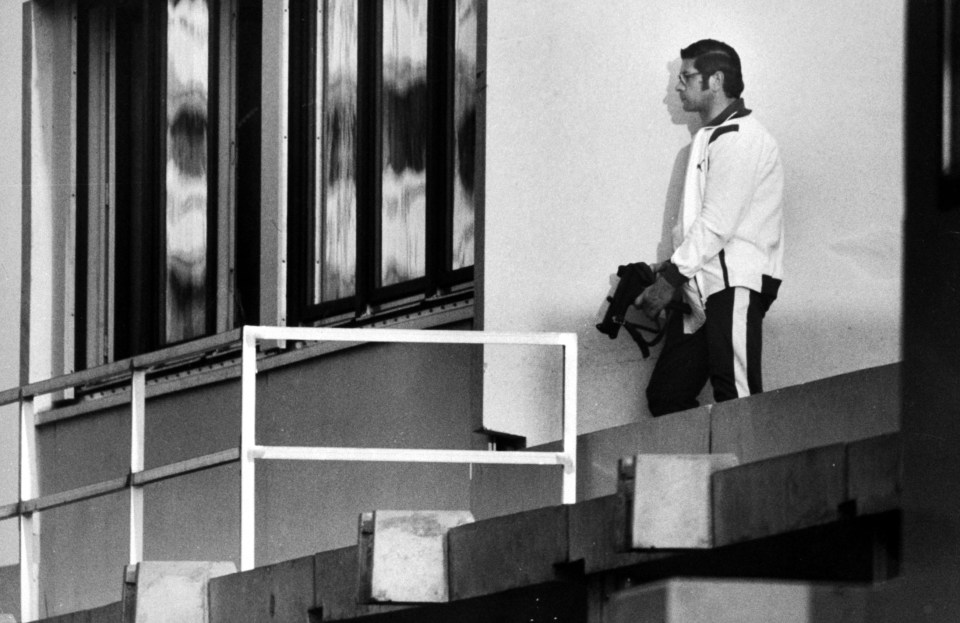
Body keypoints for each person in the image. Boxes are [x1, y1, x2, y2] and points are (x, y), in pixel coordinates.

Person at [636, 39, 784, 416]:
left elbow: (718, 223)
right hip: (700, 287)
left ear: (715, 80)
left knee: (737, 394)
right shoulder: (709, 138)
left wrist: (669, 278)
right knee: (668, 395)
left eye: (686, 77)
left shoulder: (741, 136)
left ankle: (747, 475)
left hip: (733, 284)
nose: (678, 87)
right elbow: (702, 223)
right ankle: (700, 475)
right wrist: (668, 272)